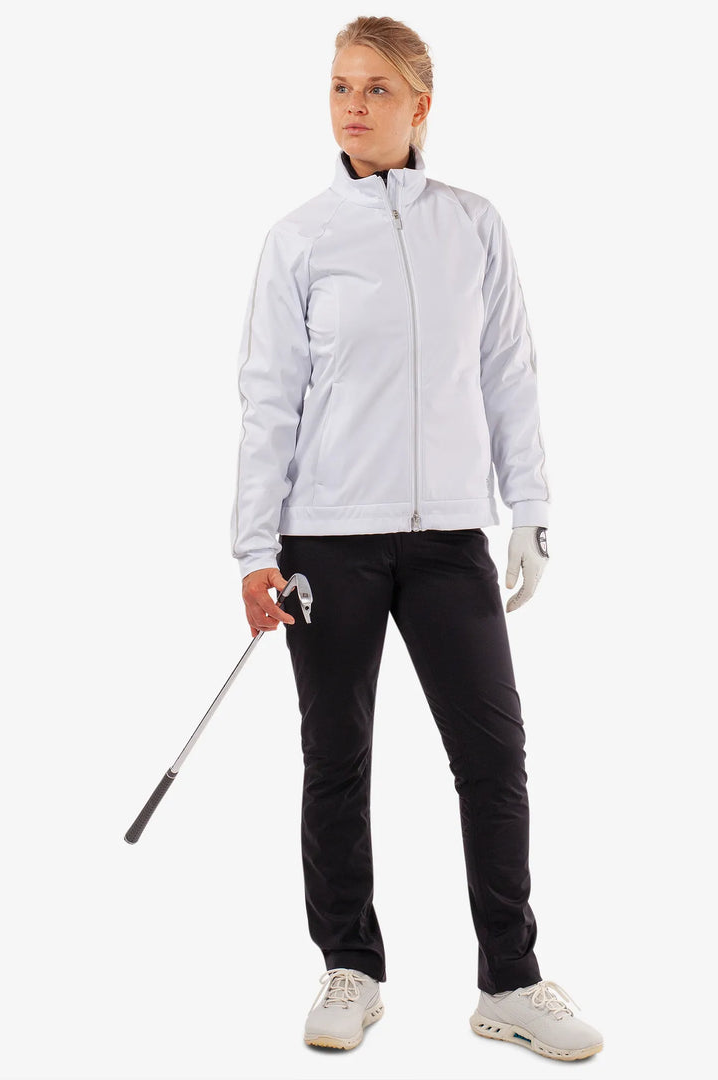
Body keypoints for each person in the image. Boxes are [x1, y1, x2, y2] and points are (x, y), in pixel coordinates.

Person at [230, 15, 603, 1062]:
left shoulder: (473, 226)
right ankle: (350, 965)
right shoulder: (300, 239)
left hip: (447, 539)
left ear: (420, 106)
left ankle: (511, 981)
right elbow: (268, 400)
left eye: (377, 90)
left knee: (493, 754)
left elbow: (508, 371)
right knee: (335, 756)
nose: (354, 106)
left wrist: (529, 509)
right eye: (341, 87)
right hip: (327, 540)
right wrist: (255, 550)